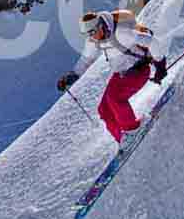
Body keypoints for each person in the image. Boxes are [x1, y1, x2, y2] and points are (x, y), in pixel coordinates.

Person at [58, 9, 167, 146]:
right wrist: (72, 76)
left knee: (115, 98)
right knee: (104, 109)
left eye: (92, 32)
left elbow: (152, 42)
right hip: (120, 74)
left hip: (139, 70)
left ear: (100, 26)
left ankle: (132, 130)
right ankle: (122, 139)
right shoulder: (94, 40)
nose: (91, 37)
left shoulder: (121, 33)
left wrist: (160, 66)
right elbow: (86, 60)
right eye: (87, 34)